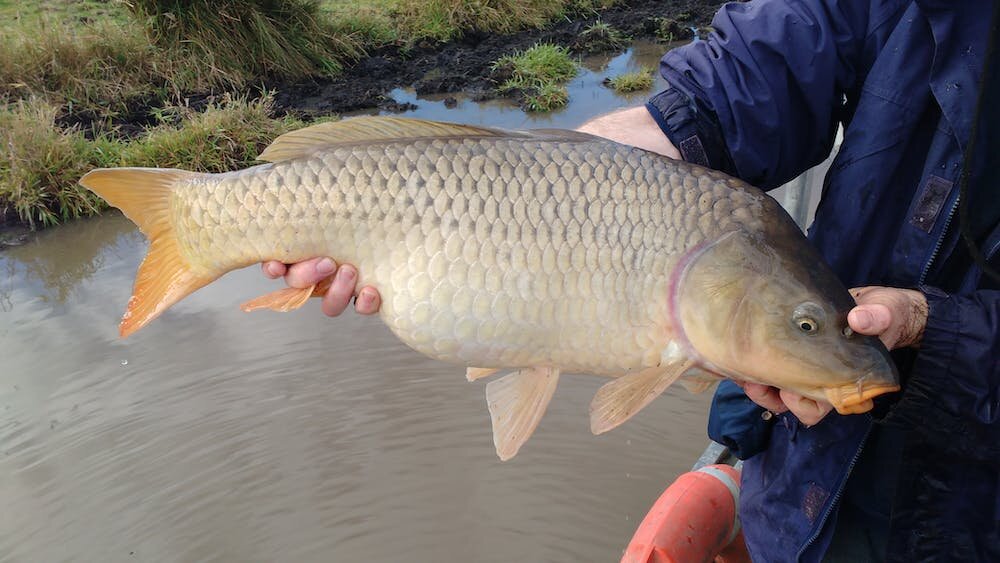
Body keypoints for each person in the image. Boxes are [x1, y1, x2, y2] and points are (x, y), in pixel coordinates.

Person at [262, 0, 1000, 559]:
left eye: (809, 328)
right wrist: (643, 136)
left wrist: (941, 343)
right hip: (799, 505)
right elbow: (769, 57)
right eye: (808, 326)